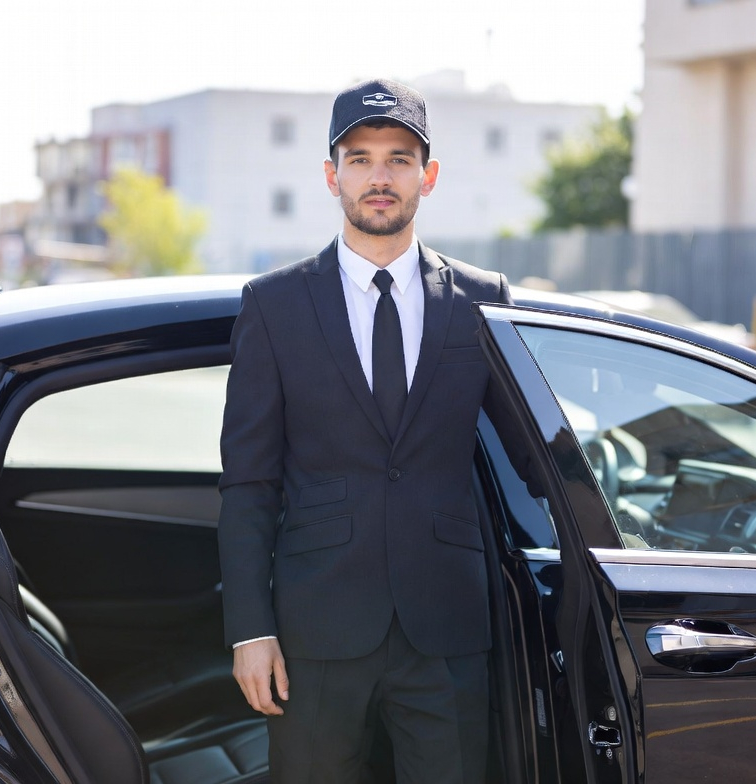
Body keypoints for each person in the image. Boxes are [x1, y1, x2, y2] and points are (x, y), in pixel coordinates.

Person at [217, 77, 512, 784]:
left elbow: (527, 456)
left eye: (399, 158)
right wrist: (250, 631)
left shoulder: (482, 300)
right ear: (331, 175)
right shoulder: (273, 305)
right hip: (317, 630)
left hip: (445, 626)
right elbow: (248, 483)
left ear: (428, 176)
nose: (379, 176)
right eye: (360, 158)